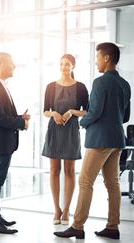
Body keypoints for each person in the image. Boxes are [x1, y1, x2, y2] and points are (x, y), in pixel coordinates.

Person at [54, 42, 131, 240]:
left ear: (106, 58)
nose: (96, 61)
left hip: (100, 139)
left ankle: (77, 226)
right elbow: (125, 116)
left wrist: (83, 122)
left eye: (97, 57)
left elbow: (94, 112)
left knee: (85, 180)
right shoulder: (125, 84)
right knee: (112, 183)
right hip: (117, 139)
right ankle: (113, 227)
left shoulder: (100, 82)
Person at [0, 52, 30, 234]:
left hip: (3, 141)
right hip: (0, 142)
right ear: (2, 65)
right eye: (11, 64)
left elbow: (2, 115)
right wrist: (21, 123)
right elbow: (0, 119)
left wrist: (19, 118)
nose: (14, 67)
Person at [42, 54, 89, 225]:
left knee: (69, 171)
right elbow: (45, 111)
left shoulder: (81, 88)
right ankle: (57, 209)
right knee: (54, 170)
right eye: (61, 64)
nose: (64, 67)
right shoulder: (50, 87)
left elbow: (87, 111)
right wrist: (53, 113)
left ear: (73, 66)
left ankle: (67, 210)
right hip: (54, 129)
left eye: (67, 64)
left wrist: (72, 112)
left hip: (71, 131)